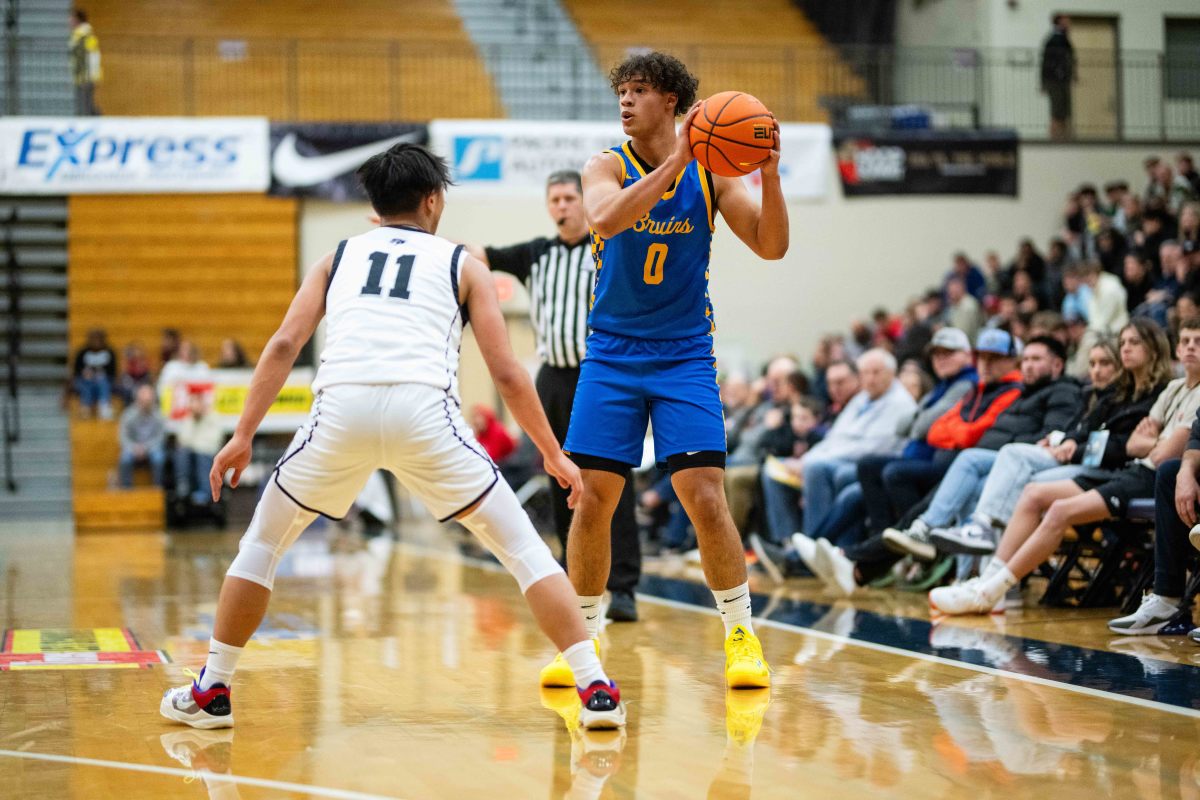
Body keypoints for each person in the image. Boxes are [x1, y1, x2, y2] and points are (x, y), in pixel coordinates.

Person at [160, 143, 625, 731]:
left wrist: (243, 433)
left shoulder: (337, 257)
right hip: (425, 413)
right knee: (526, 552)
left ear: (374, 207)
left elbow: (284, 344)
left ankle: (213, 690)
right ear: (433, 201)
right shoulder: (463, 263)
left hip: (341, 411)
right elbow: (507, 372)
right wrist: (552, 453)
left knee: (262, 545)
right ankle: (595, 690)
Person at [543, 50, 788, 691]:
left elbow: (770, 245)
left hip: (683, 354)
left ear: (672, 102)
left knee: (704, 495)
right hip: (613, 353)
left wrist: (771, 174)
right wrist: (681, 159)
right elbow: (604, 217)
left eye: (640, 90)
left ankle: (741, 635)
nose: (625, 101)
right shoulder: (605, 165)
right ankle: (585, 640)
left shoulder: (714, 176)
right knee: (592, 499)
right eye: (621, 90)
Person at [465, 170, 643, 623]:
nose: (562, 206)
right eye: (555, 199)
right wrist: (411, 235)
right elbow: (475, 253)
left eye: (569, 198)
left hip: (602, 376)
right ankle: (573, 576)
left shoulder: (610, 246)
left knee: (613, 481)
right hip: (552, 379)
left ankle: (623, 587)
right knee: (561, 478)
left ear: (586, 202)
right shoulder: (536, 254)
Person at [931, 318, 1200, 616]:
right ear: (1176, 347)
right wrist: (1135, 444)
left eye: (1133, 343)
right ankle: (986, 581)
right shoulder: (1165, 389)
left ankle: (990, 590)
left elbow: (1157, 451)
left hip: (1136, 474)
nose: (1125, 350)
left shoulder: (1163, 389)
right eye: (1122, 342)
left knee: (1041, 494)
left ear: (1155, 349)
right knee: (1030, 490)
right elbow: (1123, 439)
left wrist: (1140, 443)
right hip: (1129, 470)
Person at [884, 336, 1082, 561]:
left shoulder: (1062, 391)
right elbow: (932, 431)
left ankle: (926, 528)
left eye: (1036, 359)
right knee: (972, 488)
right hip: (996, 461)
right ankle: (967, 576)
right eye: (1025, 359)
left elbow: (1050, 438)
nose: (1027, 364)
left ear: (1057, 364)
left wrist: (966, 436)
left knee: (968, 461)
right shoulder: (1022, 393)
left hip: (1020, 463)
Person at [174, 392, 225, 506]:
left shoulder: (214, 417)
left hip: (207, 453)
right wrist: (194, 420)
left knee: (202, 455)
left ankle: (206, 491)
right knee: (182, 453)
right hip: (192, 453)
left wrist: (195, 445)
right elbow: (182, 440)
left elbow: (214, 441)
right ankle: (183, 485)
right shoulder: (189, 419)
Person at [119, 384, 166, 487]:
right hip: (133, 448)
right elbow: (123, 437)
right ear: (137, 400)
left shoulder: (158, 415)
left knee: (159, 459)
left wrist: (146, 448)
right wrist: (133, 448)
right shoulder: (128, 415)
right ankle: (126, 491)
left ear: (153, 401)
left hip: (152, 448)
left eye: (148, 402)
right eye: (143, 401)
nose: (146, 404)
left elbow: (160, 437)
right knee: (125, 459)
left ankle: (157, 489)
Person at [1040, 14, 1075, 141]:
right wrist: (1044, 83)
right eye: (1066, 21)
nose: (1069, 23)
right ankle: (1054, 137)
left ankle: (1065, 137)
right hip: (1054, 80)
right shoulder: (1053, 40)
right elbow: (1046, 62)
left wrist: (1071, 75)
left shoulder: (1064, 39)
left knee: (1065, 111)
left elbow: (1070, 59)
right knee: (1057, 111)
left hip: (1062, 79)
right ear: (1059, 22)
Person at [72, 328, 116, 419]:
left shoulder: (109, 352)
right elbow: (76, 370)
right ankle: (86, 407)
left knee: (102, 381)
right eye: (93, 339)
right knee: (86, 383)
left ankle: (104, 406)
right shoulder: (82, 352)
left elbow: (113, 371)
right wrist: (84, 373)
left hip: (104, 381)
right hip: (85, 380)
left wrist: (101, 374)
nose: (96, 341)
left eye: (98, 339)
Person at [69, 8, 102, 116]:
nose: (69, 20)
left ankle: (96, 123)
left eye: (72, 18)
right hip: (85, 76)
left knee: (85, 106)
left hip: (84, 77)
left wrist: (84, 77)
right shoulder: (82, 35)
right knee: (87, 104)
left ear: (78, 19)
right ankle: (98, 119)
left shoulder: (82, 37)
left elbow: (86, 58)